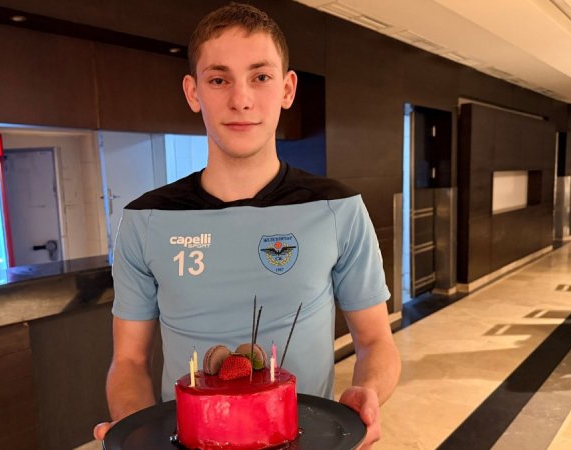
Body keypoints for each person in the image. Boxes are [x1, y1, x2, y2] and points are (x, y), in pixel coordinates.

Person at [93, 3, 401, 448]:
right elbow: (129, 362)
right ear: (193, 92)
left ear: (287, 89)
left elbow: (375, 341)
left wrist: (368, 391)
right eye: (219, 80)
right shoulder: (145, 220)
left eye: (260, 77)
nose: (241, 99)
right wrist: (135, 432)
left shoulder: (338, 208)